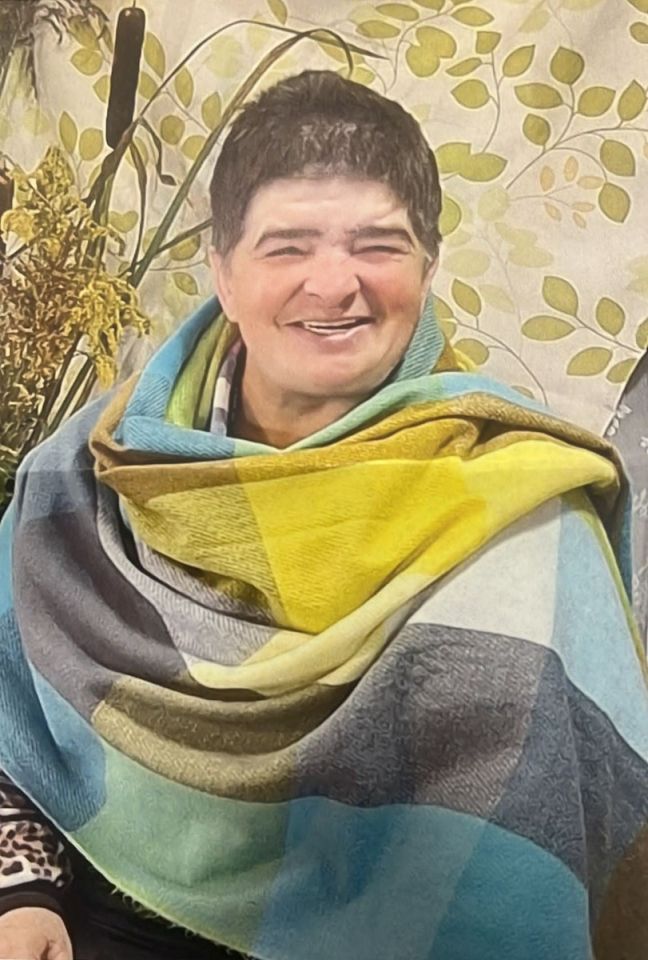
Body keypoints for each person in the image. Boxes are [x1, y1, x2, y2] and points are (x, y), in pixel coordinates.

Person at [0, 68, 646, 960]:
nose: (335, 285)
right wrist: (21, 891)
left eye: (379, 244)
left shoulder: (523, 512)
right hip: (92, 922)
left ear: (428, 267)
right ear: (224, 273)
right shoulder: (84, 473)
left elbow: (559, 832)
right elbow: (10, 717)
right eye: (287, 247)